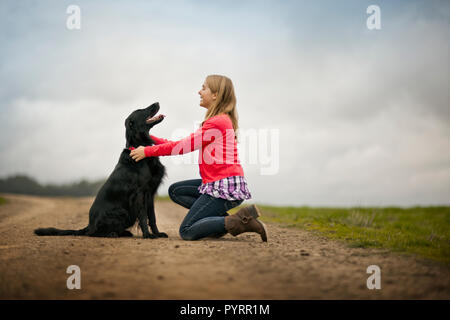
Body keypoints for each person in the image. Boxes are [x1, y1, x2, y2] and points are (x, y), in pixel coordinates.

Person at [130, 75, 267, 242]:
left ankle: (239, 221)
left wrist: (148, 151)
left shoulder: (217, 122)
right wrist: (150, 140)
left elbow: (181, 148)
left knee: (187, 230)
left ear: (215, 95)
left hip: (222, 187)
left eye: (204, 88)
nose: (199, 92)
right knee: (175, 191)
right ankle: (228, 222)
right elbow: (181, 143)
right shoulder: (219, 120)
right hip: (216, 183)